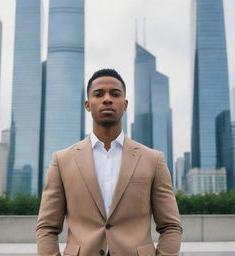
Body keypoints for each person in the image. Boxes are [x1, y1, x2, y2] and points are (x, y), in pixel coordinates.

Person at [36, 69, 182, 256]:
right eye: (98, 94)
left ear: (125, 104)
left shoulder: (153, 160)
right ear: (88, 105)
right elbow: (46, 227)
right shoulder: (62, 160)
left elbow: (171, 226)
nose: (107, 99)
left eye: (115, 94)